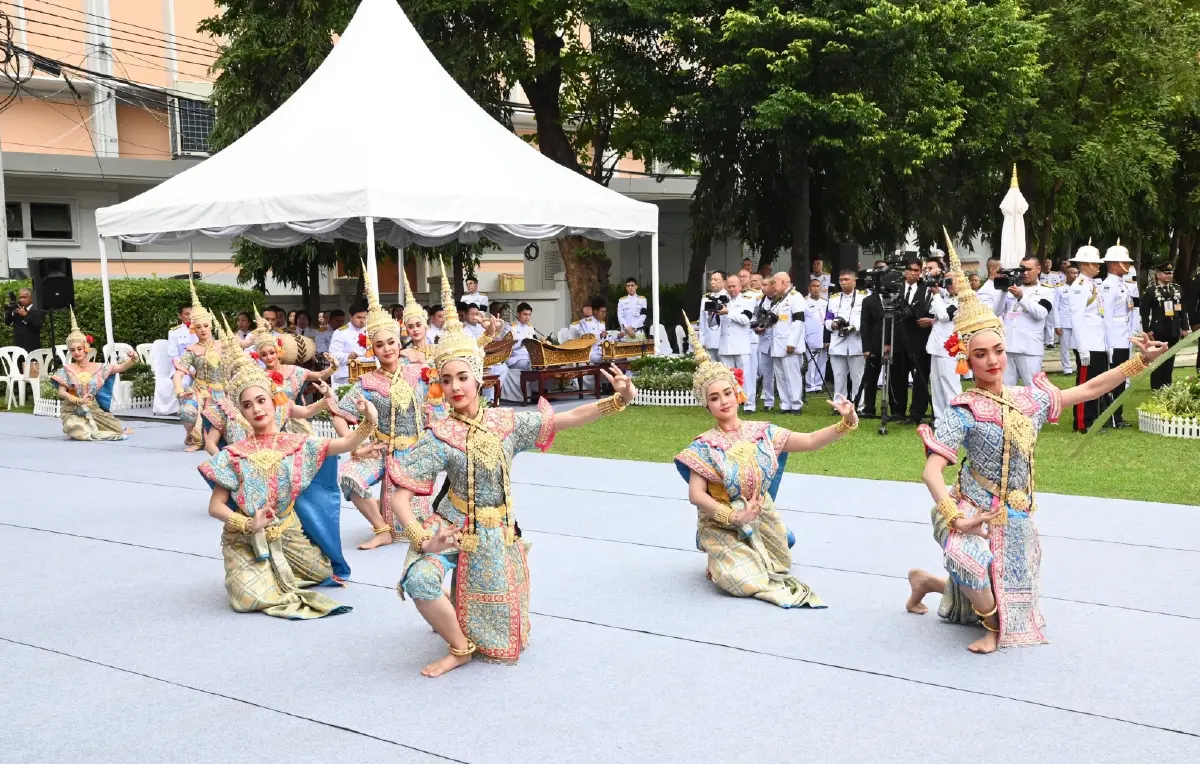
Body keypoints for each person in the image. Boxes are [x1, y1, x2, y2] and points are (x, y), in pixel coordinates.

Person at [906, 231, 1167, 653]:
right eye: (980, 354)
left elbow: (1089, 389)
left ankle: (925, 582)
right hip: (970, 507)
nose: (992, 361)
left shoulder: (1029, 399)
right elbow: (931, 471)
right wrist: (956, 518)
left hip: (1016, 511)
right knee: (969, 561)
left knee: (998, 585)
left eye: (997, 350)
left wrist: (1140, 362)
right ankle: (993, 629)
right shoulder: (964, 409)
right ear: (966, 359)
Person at [386, 276, 638, 678]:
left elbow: (569, 417)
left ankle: (461, 622)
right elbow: (400, 496)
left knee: (503, 639)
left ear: (477, 377)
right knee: (418, 579)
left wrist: (618, 400)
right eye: (446, 380)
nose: (454, 387)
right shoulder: (440, 434)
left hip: (495, 532)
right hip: (451, 527)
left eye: (462, 377)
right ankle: (459, 647)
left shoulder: (506, 423)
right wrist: (421, 538)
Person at [676, 318, 857, 609]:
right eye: (714, 398)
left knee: (780, 565)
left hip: (761, 514)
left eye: (727, 393)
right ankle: (716, 552)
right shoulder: (704, 445)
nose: (723, 401)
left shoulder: (763, 432)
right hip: (723, 521)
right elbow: (696, 495)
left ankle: (739, 550)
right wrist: (733, 517)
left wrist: (846, 422)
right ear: (706, 404)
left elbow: (810, 441)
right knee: (742, 580)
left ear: (737, 392)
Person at [198, 347, 379, 620]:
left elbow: (345, 443)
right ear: (241, 412)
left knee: (322, 572)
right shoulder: (232, 454)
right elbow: (215, 506)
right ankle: (261, 572)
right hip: (244, 538)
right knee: (246, 598)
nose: (256, 409)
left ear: (274, 402)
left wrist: (369, 421)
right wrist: (249, 524)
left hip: (287, 530)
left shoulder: (298, 444)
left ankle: (273, 571)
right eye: (247, 405)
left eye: (261, 400)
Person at [331, 269, 447, 552]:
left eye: (391, 342)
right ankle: (380, 529)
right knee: (349, 476)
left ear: (399, 341)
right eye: (379, 345)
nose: (387, 349)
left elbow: (439, 408)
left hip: (417, 451)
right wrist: (355, 446)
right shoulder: (368, 382)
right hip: (382, 450)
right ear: (372, 348)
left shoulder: (420, 373)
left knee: (420, 523)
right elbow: (339, 414)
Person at [48, 309, 139, 441]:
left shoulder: (98, 368)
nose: (76, 352)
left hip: (93, 409)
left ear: (86, 348)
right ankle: (90, 431)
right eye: (73, 350)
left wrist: (133, 359)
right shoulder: (67, 369)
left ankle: (105, 430)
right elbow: (61, 392)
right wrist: (78, 400)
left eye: (79, 349)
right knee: (83, 432)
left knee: (117, 427)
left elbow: (119, 368)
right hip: (72, 410)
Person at [172, 281, 226, 452]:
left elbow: (244, 345)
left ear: (211, 326)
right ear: (193, 329)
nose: (203, 330)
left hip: (222, 392)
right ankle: (194, 437)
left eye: (206, 326)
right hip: (200, 391)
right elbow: (178, 374)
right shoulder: (192, 350)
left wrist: (259, 331)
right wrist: (180, 391)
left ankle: (213, 439)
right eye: (198, 327)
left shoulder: (223, 345)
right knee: (186, 411)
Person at [1066, 241, 1109, 431]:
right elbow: (1076, 318)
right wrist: (1082, 348)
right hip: (1087, 343)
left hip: (1097, 341)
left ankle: (1094, 418)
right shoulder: (1079, 286)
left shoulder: (1092, 284)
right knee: (1086, 384)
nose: (1098, 266)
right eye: (1095, 263)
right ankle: (1082, 422)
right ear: (1084, 265)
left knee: (1097, 383)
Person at [1000, 255, 1054, 386]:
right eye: (1022, 269)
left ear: (1038, 269)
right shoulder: (1012, 289)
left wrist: (1021, 297)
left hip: (1029, 348)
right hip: (1008, 346)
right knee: (1005, 389)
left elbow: (1041, 313)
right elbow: (996, 311)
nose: (1024, 273)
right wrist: (1002, 291)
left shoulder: (1046, 291)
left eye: (1029, 269)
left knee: (1033, 388)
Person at [1100, 241, 1137, 426]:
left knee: (1123, 377)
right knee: (1115, 378)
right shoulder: (1108, 286)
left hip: (1124, 336)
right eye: (1125, 262)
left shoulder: (1123, 284)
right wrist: (1109, 343)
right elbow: (1106, 316)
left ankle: (1118, 416)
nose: (1129, 265)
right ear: (1114, 264)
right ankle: (1113, 418)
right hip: (1114, 337)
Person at [897, 259, 934, 424]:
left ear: (920, 272)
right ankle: (898, 411)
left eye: (916, 270)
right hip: (899, 337)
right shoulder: (897, 288)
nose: (913, 273)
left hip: (920, 338)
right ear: (905, 271)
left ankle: (917, 412)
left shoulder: (927, 290)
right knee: (898, 376)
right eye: (910, 270)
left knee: (920, 376)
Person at [1142, 263, 1191, 389]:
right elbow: (1145, 312)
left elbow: (1182, 310)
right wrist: (1147, 330)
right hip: (1158, 329)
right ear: (1158, 274)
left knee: (1170, 357)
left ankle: (1167, 384)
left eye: (1170, 273)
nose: (1168, 275)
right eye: (1165, 273)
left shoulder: (1177, 289)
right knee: (1158, 358)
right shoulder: (1151, 291)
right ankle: (1156, 385)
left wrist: (1185, 327)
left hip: (1174, 329)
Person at [926, 272, 961, 425]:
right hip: (936, 346)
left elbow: (944, 316)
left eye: (951, 281)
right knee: (936, 385)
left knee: (950, 383)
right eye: (946, 281)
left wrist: (936, 295)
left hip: (950, 347)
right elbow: (932, 311)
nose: (948, 284)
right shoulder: (945, 297)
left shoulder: (963, 299)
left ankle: (957, 420)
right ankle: (940, 420)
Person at [769, 273, 805, 413]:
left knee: (792, 375)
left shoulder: (796, 297)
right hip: (777, 343)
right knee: (780, 376)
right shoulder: (778, 299)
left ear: (784, 283)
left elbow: (798, 321)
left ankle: (796, 404)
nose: (773, 286)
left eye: (775, 283)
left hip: (789, 344)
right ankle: (785, 404)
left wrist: (792, 343)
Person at [824, 270, 862, 403]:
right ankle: (839, 404)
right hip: (838, 342)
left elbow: (867, 319)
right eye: (841, 280)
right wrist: (833, 325)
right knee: (838, 377)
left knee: (857, 377)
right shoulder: (833, 298)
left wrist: (854, 327)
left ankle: (858, 404)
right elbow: (827, 319)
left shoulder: (863, 297)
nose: (843, 282)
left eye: (846, 279)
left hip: (856, 341)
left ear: (854, 281)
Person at [717, 274, 754, 378]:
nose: (731, 289)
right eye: (729, 286)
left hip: (740, 347)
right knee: (727, 379)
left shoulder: (747, 300)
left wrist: (728, 312)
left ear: (740, 287)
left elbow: (746, 320)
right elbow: (713, 324)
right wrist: (712, 315)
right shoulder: (722, 301)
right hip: (725, 346)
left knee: (744, 379)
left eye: (734, 286)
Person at [502, 302, 538, 402]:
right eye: (525, 314)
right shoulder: (510, 327)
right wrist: (521, 343)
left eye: (529, 315)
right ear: (518, 314)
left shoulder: (530, 328)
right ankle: (528, 395)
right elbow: (506, 347)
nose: (527, 317)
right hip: (516, 359)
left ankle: (539, 392)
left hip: (529, 357)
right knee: (531, 364)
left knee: (541, 363)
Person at [328, 302, 368, 385]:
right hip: (346, 375)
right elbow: (333, 354)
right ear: (351, 317)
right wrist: (347, 357)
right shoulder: (340, 332)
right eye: (359, 317)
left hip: (368, 372)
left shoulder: (370, 330)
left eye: (365, 317)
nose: (362, 321)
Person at [754, 277, 777, 412]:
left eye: (765, 285)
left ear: (773, 286)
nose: (762, 287)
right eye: (761, 284)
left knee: (782, 374)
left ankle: (788, 402)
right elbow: (754, 318)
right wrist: (757, 328)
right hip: (764, 341)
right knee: (767, 374)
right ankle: (769, 402)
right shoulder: (759, 300)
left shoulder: (781, 299)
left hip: (778, 341)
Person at [4, 287, 45, 356]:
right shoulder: (18, 308)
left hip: (32, 347)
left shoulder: (38, 309)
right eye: (20, 297)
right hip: (18, 347)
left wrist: (25, 314)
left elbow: (38, 324)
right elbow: (8, 322)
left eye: (24, 297)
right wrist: (10, 311)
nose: (21, 299)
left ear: (31, 298)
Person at [1055, 265, 1078, 375]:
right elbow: (1055, 307)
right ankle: (1067, 368)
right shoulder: (1060, 288)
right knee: (1065, 347)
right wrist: (1057, 324)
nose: (1075, 275)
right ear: (1066, 274)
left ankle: (1080, 366)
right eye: (1072, 273)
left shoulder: (1081, 288)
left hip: (1078, 322)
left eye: (1076, 273)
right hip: (1065, 322)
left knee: (1079, 346)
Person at [700, 271, 727, 355]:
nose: (712, 282)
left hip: (724, 342)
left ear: (724, 282)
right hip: (710, 341)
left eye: (716, 280)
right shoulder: (706, 299)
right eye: (711, 279)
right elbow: (702, 322)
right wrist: (702, 341)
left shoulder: (728, 297)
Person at [580, 297, 608, 363]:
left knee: (617, 357)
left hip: (602, 352)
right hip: (591, 353)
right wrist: (599, 336)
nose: (604, 314)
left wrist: (618, 336)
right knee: (607, 359)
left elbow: (605, 339)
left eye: (605, 312)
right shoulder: (585, 322)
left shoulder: (602, 323)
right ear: (595, 311)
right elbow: (585, 339)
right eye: (602, 312)